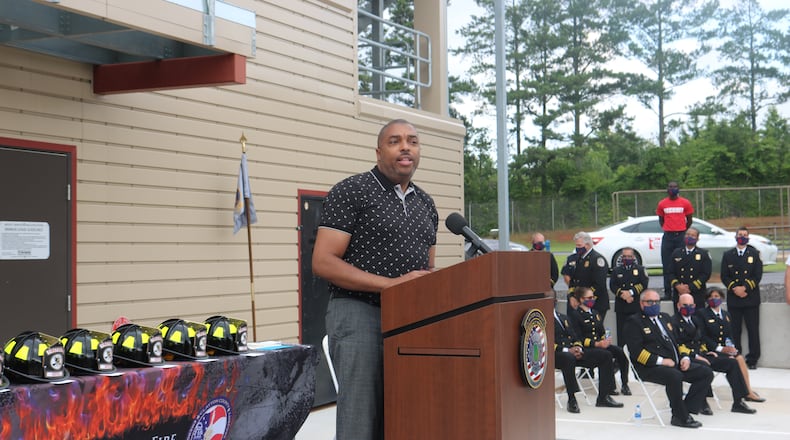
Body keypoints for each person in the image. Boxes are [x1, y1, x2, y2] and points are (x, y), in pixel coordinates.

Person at [312, 119, 438, 440]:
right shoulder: (352, 191)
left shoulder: (426, 204)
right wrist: (390, 286)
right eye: (395, 141)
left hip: (411, 321)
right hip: (359, 313)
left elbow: (428, 274)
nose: (405, 146)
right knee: (361, 416)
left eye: (412, 141)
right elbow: (323, 262)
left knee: (405, 412)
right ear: (379, 151)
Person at [623, 289, 713, 429]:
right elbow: (636, 352)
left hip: (674, 364)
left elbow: (678, 343)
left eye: (657, 302)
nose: (654, 304)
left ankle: (685, 408)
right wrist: (661, 361)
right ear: (641, 304)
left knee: (705, 373)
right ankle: (679, 417)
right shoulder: (634, 322)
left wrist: (684, 357)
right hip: (649, 368)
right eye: (650, 302)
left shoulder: (664, 318)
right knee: (675, 376)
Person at [672, 293, 756, 414]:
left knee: (732, 362)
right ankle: (702, 402)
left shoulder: (694, 320)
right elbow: (678, 345)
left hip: (702, 354)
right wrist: (697, 356)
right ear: (678, 305)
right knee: (705, 367)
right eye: (685, 305)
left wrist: (707, 352)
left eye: (691, 305)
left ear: (694, 306)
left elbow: (700, 340)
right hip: (687, 358)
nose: (688, 307)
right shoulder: (673, 322)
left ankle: (738, 402)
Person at [554, 300, 624, 413]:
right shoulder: (543, 319)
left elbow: (575, 336)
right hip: (557, 355)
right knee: (568, 358)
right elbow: (545, 342)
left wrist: (578, 348)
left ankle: (603, 397)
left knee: (605, 355)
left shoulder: (563, 317)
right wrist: (567, 350)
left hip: (574, 351)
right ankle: (572, 399)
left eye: (553, 299)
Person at [698, 287, 765, 403]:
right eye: (711, 297)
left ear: (722, 298)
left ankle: (748, 391)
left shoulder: (726, 314)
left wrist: (731, 347)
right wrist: (721, 349)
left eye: (716, 297)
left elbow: (729, 335)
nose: (713, 299)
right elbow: (703, 337)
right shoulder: (702, 314)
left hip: (726, 349)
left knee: (739, 357)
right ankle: (745, 393)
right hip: (711, 351)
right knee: (735, 361)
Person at [569, 286, 631, 396]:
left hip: (600, 344)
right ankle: (608, 387)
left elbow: (601, 330)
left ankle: (624, 384)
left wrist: (605, 340)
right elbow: (577, 338)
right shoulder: (575, 315)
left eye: (593, 297)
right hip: (586, 348)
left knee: (620, 352)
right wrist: (596, 344)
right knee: (605, 355)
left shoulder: (595, 313)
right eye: (589, 297)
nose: (592, 299)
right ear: (582, 299)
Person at [721, 227, 762, 369]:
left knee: (753, 330)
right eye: (740, 235)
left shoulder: (754, 254)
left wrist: (744, 288)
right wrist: (735, 289)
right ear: (735, 237)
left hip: (750, 298)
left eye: (745, 235)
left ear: (748, 238)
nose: (742, 237)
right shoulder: (728, 255)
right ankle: (736, 357)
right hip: (734, 299)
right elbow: (724, 276)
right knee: (734, 330)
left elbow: (757, 275)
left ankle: (752, 360)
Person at [657, 181, 694, 301]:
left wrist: (682, 230)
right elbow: (661, 220)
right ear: (667, 189)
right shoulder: (662, 204)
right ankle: (668, 292)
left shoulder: (685, 203)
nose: (673, 189)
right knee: (667, 265)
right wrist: (669, 229)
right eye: (670, 187)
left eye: (675, 187)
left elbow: (689, 220)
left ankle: (683, 290)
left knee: (682, 264)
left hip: (681, 236)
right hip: (668, 237)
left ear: (679, 189)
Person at [561, 232, 609, 320]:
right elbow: (573, 282)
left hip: (594, 303)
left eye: (579, 245)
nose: (577, 248)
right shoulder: (577, 258)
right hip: (577, 302)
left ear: (587, 245)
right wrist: (572, 296)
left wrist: (583, 299)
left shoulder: (597, 259)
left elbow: (599, 284)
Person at [609, 247, 649, 346]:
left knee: (637, 332)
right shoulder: (616, 270)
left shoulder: (640, 269)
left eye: (629, 256)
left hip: (635, 305)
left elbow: (644, 284)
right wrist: (623, 294)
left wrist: (631, 293)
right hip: (621, 306)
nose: (627, 258)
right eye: (625, 256)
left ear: (633, 257)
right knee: (622, 334)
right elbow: (612, 285)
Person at [669, 227, 711, 308]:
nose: (689, 237)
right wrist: (678, 286)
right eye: (687, 234)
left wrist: (690, 287)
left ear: (697, 239)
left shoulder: (703, 254)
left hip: (696, 293)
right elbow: (670, 272)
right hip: (679, 293)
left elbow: (706, 274)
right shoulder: (676, 253)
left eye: (693, 235)